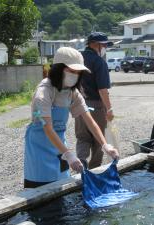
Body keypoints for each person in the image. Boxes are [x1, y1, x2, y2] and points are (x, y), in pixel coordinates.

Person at [24, 47, 119, 188]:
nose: (75, 75)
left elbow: (90, 121)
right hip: (40, 147)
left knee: (62, 185)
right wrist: (68, 154)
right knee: (41, 189)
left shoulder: (72, 93)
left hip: (59, 146)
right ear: (58, 69)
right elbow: (48, 128)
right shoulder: (43, 93)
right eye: (71, 71)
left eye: (78, 72)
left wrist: (105, 145)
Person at [75, 32, 114, 169]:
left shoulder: (78, 59)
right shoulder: (99, 62)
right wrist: (109, 109)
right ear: (96, 45)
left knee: (82, 138)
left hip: (79, 103)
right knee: (98, 140)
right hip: (96, 106)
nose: (105, 48)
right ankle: (94, 170)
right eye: (104, 45)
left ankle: (81, 166)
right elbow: (102, 89)